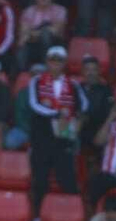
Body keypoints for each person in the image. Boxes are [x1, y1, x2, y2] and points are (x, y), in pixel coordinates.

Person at [27, 46, 81, 206]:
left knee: (67, 176)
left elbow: (83, 105)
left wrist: (74, 116)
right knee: (40, 177)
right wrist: (56, 113)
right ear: (47, 62)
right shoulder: (36, 81)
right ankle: (38, 214)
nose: (55, 64)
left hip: (63, 135)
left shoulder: (73, 84)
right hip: (42, 135)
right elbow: (34, 104)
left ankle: (73, 211)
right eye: (52, 60)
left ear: (64, 63)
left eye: (59, 61)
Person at [17, 0, 68, 70]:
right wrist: (39, 33)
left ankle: (48, 69)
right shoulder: (28, 11)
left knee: (46, 34)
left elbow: (56, 31)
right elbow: (23, 36)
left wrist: (33, 33)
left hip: (54, 47)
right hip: (34, 47)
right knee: (22, 47)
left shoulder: (60, 10)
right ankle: (21, 76)